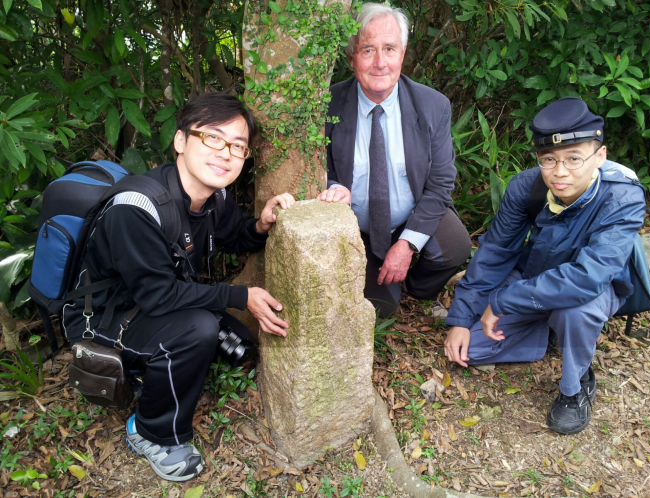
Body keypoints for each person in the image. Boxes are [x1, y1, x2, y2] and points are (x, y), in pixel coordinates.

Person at [62, 93, 294, 481]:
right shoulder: (135, 207)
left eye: (237, 145)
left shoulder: (214, 196)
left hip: (147, 300)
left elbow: (234, 236)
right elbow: (160, 296)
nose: (226, 153)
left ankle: (154, 368)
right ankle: (150, 431)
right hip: (101, 318)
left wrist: (261, 225)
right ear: (181, 140)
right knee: (198, 331)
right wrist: (242, 298)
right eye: (213, 138)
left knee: (233, 342)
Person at [444, 97, 646, 434]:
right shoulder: (528, 186)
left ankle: (575, 384)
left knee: (573, 312)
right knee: (471, 349)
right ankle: (553, 329)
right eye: (548, 159)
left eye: (574, 158)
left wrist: (504, 301)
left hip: (592, 291)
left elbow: (588, 278)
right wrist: (462, 318)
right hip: (535, 274)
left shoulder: (622, 196)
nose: (560, 171)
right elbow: (496, 250)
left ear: (600, 156)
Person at [318, 3, 471, 316]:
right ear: (351, 58)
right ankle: (382, 277)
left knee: (455, 245)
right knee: (380, 310)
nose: (379, 63)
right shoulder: (327, 105)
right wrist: (333, 187)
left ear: (402, 53)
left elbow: (441, 182)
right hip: (357, 228)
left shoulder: (432, 106)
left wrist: (406, 245)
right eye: (368, 50)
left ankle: (414, 285)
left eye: (389, 49)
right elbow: (316, 170)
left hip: (409, 216)